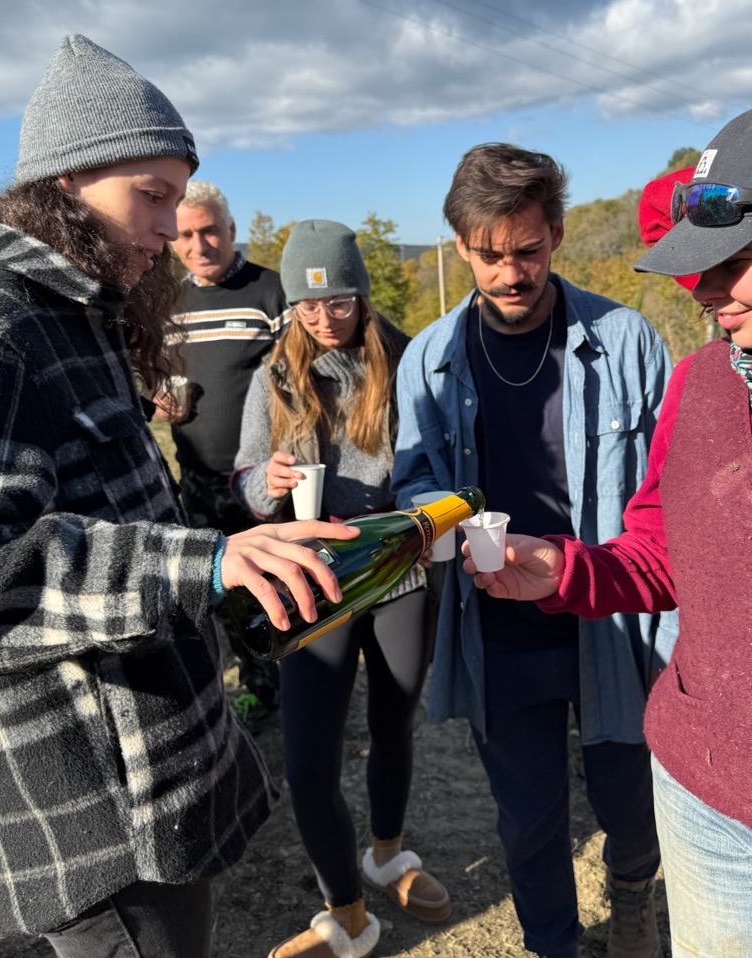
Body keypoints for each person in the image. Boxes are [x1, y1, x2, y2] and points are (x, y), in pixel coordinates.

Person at [0, 35, 357, 958]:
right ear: (64, 185)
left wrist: (239, 558)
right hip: (82, 801)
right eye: (150, 197)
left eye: (178, 197)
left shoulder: (77, 314)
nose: (170, 228)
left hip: (145, 771)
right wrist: (201, 558)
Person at [463, 92, 752, 958]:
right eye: (701, 263)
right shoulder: (701, 387)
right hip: (707, 811)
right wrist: (567, 571)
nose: (711, 290)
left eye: (737, 258)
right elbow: (664, 551)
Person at [391, 143, 675, 958]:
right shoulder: (428, 361)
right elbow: (414, 478)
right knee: (528, 815)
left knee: (631, 798)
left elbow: (667, 491)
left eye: (526, 250)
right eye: (488, 255)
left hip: (615, 618)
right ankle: (552, 943)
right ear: (461, 249)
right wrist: (440, 526)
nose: (509, 273)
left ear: (554, 234)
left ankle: (631, 899)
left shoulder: (626, 340)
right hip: (500, 625)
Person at [233, 219, 451, 958]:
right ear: (292, 304)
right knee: (307, 761)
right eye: (308, 304)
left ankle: (388, 856)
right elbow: (244, 477)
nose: (324, 318)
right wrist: (268, 482)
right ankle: (348, 916)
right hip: (314, 580)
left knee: (393, 729)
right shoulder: (276, 375)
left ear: (361, 294)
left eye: (341, 301)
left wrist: (420, 509)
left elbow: (441, 459)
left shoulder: (411, 359)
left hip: (399, 574)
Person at [165, 179, 291, 721]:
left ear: (231, 230)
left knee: (276, 593)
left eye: (210, 230)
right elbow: (157, 373)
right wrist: (157, 395)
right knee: (216, 597)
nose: (199, 245)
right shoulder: (167, 300)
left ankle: (292, 693)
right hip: (195, 479)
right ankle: (255, 691)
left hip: (262, 483)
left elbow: (305, 381)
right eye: (186, 234)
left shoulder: (272, 292)